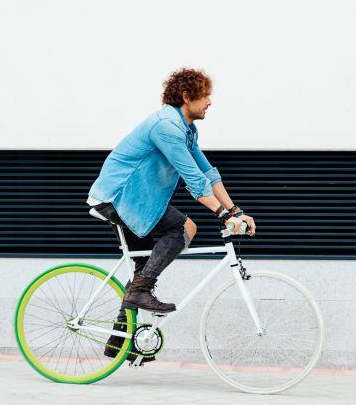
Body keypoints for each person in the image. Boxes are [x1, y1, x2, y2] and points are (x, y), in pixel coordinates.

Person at [86, 67, 256, 363]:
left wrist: (235, 210)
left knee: (142, 268)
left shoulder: (186, 129)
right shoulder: (166, 126)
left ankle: (119, 341)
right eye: (205, 96)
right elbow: (194, 180)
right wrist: (221, 214)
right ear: (187, 96)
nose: (210, 103)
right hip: (119, 198)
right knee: (184, 228)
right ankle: (140, 292)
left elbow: (207, 172)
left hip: (138, 201)